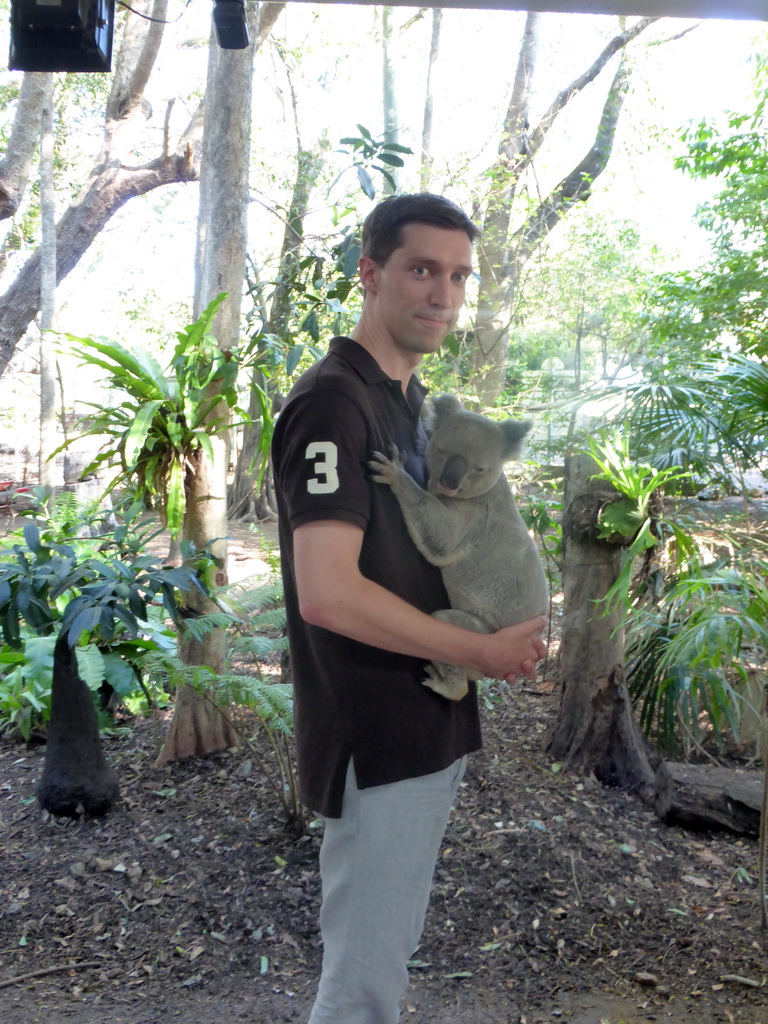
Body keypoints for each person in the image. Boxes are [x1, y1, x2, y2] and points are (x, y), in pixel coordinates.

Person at [271, 192, 547, 1024]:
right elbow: (327, 591)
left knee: (384, 956)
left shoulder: (413, 404)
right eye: (422, 269)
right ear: (370, 273)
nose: (443, 295)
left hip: (428, 720)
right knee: (362, 991)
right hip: (378, 730)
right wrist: (479, 653)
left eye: (459, 276)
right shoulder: (332, 403)